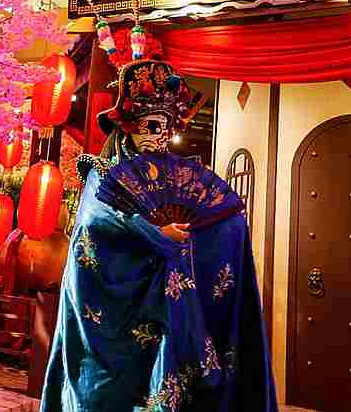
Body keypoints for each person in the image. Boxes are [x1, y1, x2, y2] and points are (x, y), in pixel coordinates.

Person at [40, 58, 276, 412]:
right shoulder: (102, 174)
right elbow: (95, 224)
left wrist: (226, 226)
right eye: (149, 125)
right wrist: (153, 234)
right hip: (112, 305)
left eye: (165, 127)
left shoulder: (180, 175)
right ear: (128, 127)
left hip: (170, 306)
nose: (157, 135)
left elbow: (209, 225)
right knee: (104, 390)